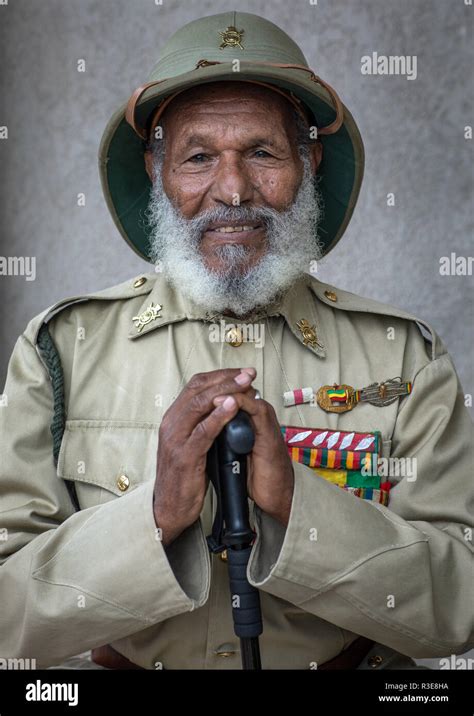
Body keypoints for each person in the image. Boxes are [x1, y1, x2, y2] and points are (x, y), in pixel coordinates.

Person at [0, 11, 472, 671]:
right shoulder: (61, 348)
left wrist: (298, 505)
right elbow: (6, 615)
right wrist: (155, 518)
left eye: (262, 153)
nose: (233, 190)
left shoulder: (403, 358)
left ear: (307, 163)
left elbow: (459, 609)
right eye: (198, 157)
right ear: (158, 169)